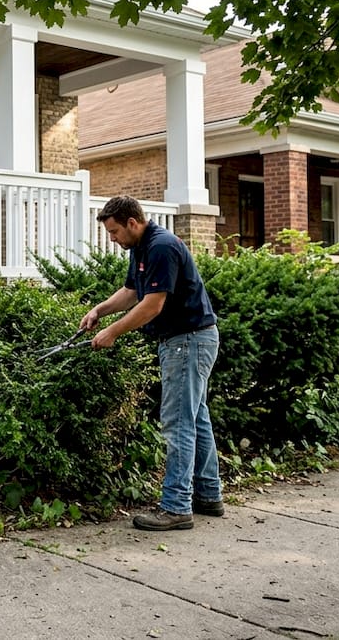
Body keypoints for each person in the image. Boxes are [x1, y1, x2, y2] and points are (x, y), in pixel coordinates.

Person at [80, 195, 222, 531]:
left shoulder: (161, 246)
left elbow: (152, 305)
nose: (112, 238)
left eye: (114, 231)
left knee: (177, 423)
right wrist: (99, 311)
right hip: (188, 340)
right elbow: (132, 292)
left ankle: (176, 507)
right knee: (195, 418)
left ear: (132, 222)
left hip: (187, 341)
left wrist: (113, 332)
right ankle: (209, 495)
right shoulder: (141, 248)